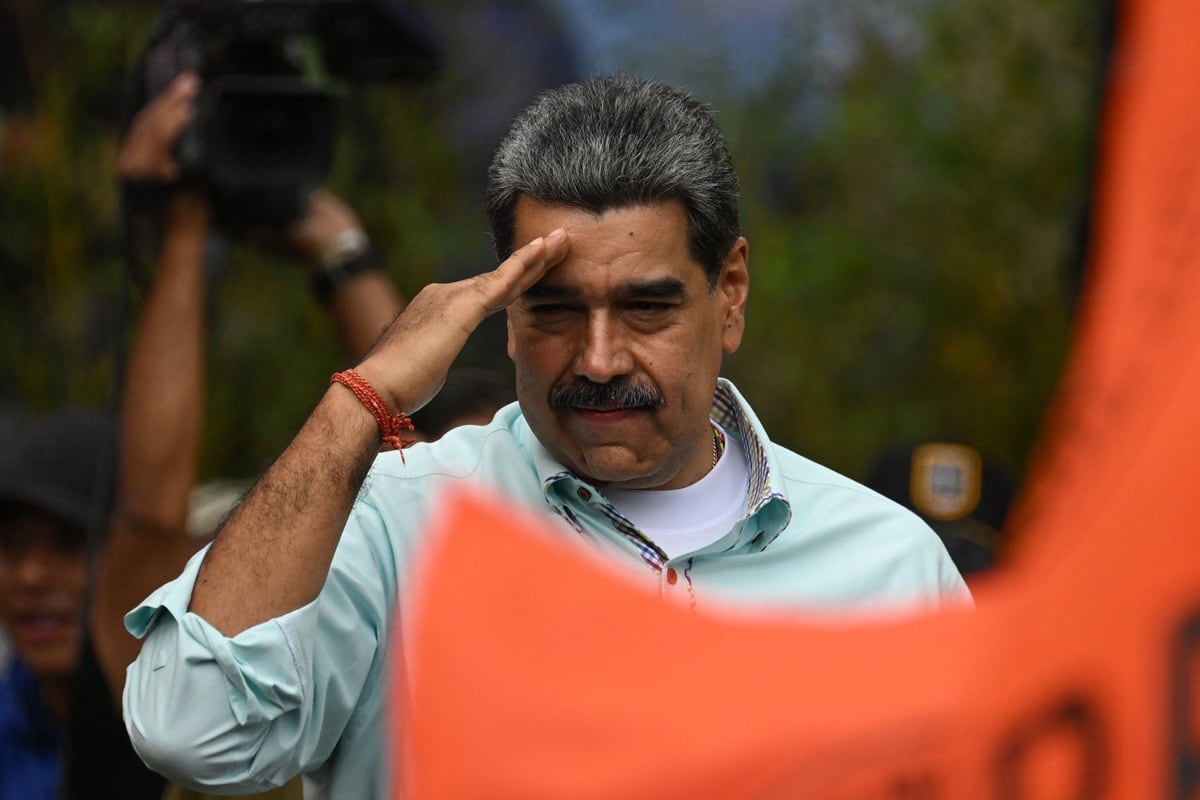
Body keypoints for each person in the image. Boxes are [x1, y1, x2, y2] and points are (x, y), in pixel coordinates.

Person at [123, 73, 971, 798]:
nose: (598, 359)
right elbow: (189, 731)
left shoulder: (888, 568)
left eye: (646, 307)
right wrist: (362, 396)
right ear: (501, 309)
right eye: (554, 310)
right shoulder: (399, 524)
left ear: (732, 292)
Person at [0, 69, 403, 800]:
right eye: (12, 546)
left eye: (69, 545)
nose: (31, 577)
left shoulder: (181, 690)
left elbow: (425, 461)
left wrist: (338, 253)